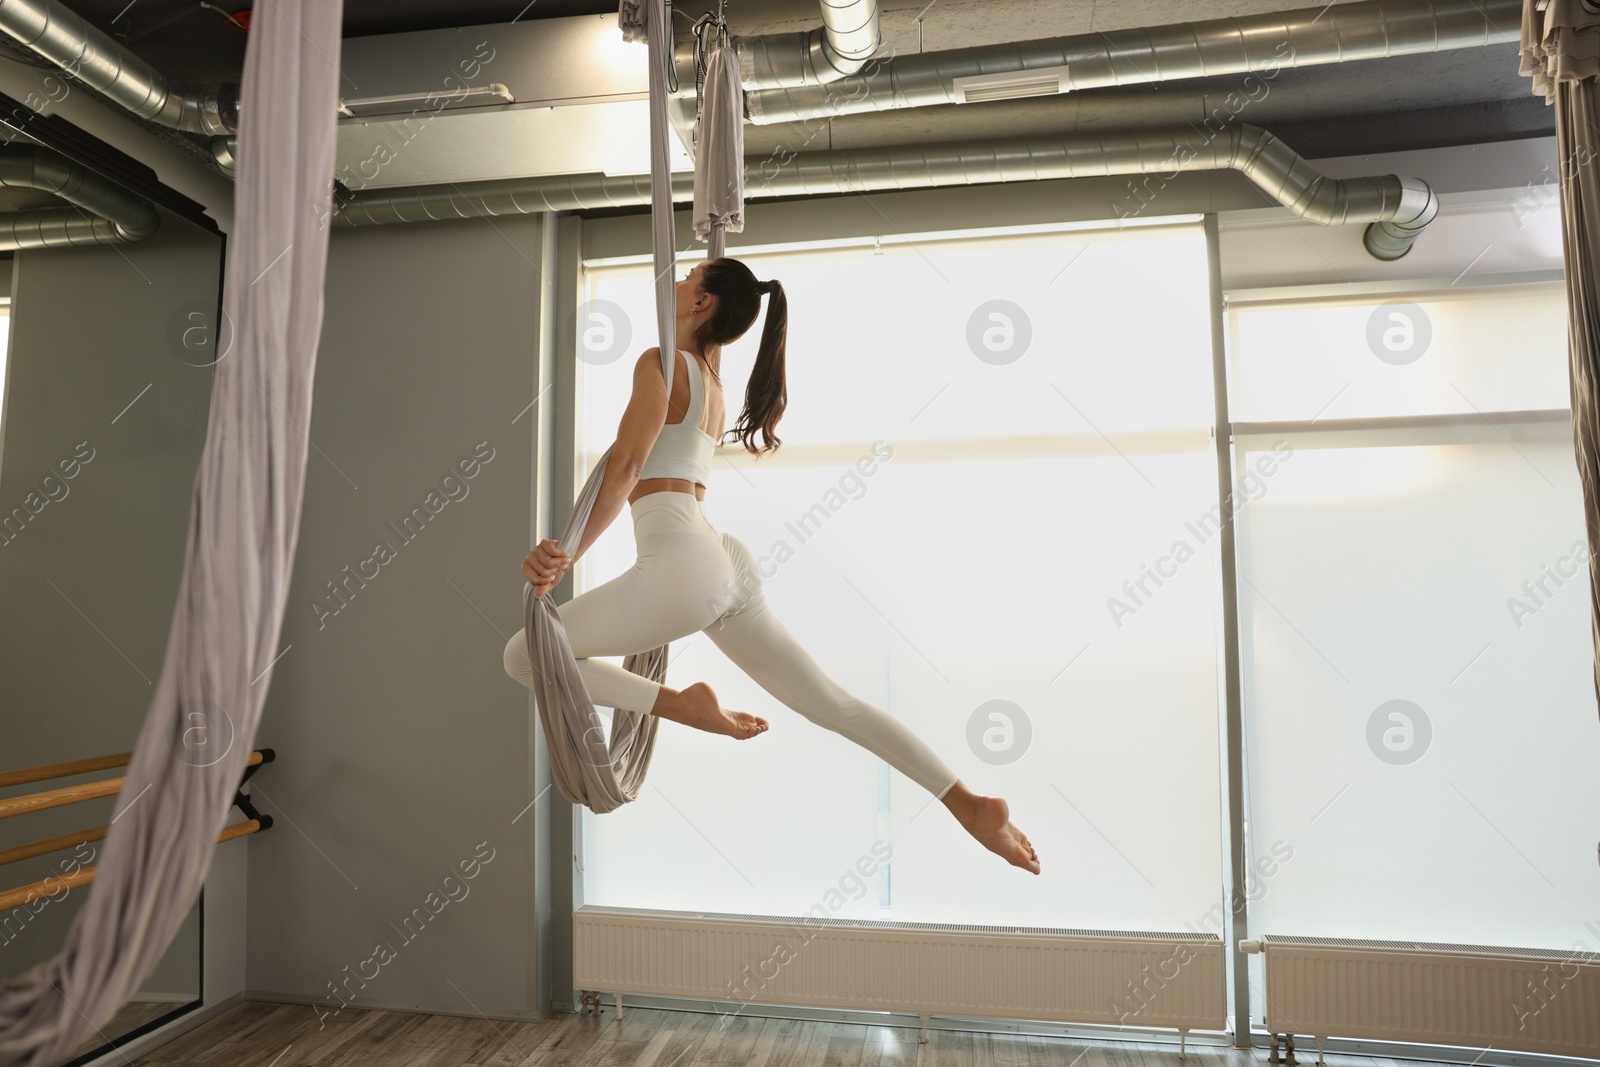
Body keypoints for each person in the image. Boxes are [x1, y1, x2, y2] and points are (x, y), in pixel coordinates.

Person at [503, 257, 1039, 874]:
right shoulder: (709, 374)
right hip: (720, 559)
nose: (674, 281)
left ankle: (681, 705)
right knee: (832, 703)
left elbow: (626, 465)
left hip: (682, 562)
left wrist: (563, 556)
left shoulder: (662, 363)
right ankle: (968, 802)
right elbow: (640, 449)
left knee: (524, 655)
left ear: (703, 304)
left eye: (688, 277)